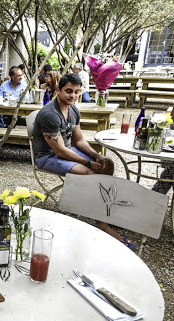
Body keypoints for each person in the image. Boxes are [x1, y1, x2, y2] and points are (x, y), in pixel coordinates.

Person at [32, 73, 135, 248]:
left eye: (77, 92)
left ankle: (105, 212)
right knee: (87, 173)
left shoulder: (73, 109)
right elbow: (60, 150)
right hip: (47, 156)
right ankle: (101, 223)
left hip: (65, 151)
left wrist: (97, 156)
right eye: (69, 91)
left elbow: (78, 140)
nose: (73, 96)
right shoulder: (50, 114)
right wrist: (87, 163)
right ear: (58, 90)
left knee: (107, 163)